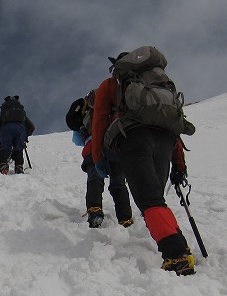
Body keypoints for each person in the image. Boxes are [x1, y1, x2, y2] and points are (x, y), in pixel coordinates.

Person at [89, 53, 194, 275]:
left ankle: (175, 255)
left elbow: (99, 121)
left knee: (149, 200)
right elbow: (172, 123)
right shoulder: (159, 84)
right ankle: (179, 246)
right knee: (155, 198)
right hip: (166, 140)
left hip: (133, 138)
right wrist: (179, 165)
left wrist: (99, 158)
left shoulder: (111, 85)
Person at [73, 90, 133, 228]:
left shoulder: (88, 110)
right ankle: (125, 219)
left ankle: (95, 211)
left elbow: (76, 140)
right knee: (118, 183)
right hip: (116, 147)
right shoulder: (117, 105)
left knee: (95, 178)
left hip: (93, 148)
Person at [0, 95, 35, 174]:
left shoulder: (4, 111)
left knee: (5, 147)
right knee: (18, 149)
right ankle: (19, 167)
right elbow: (32, 127)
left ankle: (2, 165)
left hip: (6, 129)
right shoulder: (21, 112)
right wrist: (25, 136)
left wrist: (0, 135)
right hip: (20, 129)